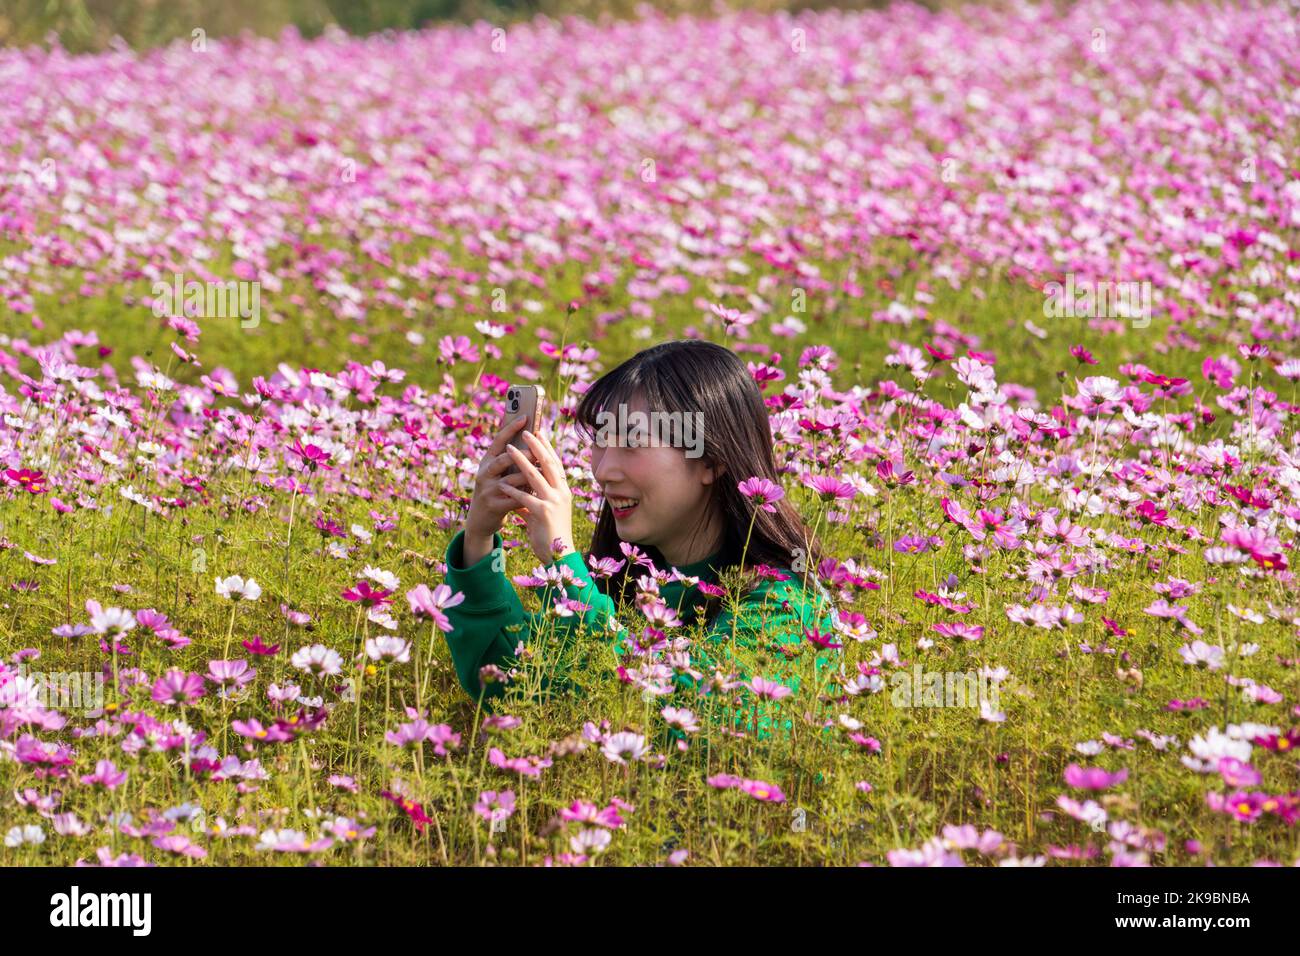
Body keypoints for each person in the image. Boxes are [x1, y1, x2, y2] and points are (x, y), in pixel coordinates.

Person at [439, 339, 840, 740]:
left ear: (711, 460)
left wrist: (562, 564)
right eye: (600, 439)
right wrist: (479, 537)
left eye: (632, 442)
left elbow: (704, 727)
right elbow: (514, 687)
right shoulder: (631, 585)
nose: (604, 470)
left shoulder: (785, 603)